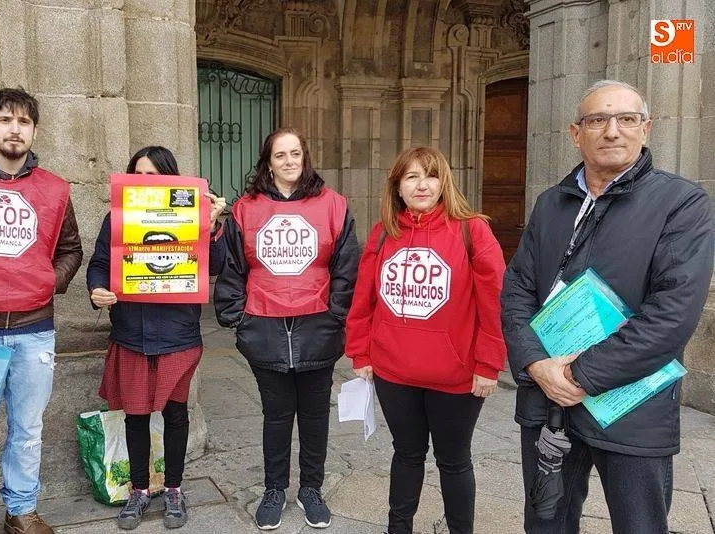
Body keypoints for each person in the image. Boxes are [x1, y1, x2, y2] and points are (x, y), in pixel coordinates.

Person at [502, 79, 714, 534]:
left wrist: (579, 375)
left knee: (639, 525)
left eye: (626, 119)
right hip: (548, 400)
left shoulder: (681, 203)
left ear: (646, 128)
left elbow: (672, 314)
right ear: (576, 134)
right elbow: (517, 288)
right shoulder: (551, 203)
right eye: (597, 119)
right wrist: (536, 364)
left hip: (631, 405)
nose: (612, 130)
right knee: (545, 522)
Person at [344, 146, 506, 534]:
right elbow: (364, 298)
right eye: (411, 176)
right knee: (406, 454)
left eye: (431, 175)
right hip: (394, 372)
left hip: (455, 377)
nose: (422, 185)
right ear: (397, 186)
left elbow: (495, 302)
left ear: (443, 182)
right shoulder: (384, 233)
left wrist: (488, 364)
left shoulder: (472, 230)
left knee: (454, 461)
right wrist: (360, 352)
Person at [0, 88, 84, 534]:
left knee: (28, 429)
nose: (14, 129)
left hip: (33, 329)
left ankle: (22, 510)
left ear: (34, 131)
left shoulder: (55, 189)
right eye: (5, 120)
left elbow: (71, 249)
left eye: (24, 122)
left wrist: (48, 282)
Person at [214, 127, 359, 530]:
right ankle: (274, 489)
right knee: (276, 416)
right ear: (268, 163)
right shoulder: (246, 209)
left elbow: (347, 266)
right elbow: (232, 267)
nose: (289, 161)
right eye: (280, 155)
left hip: (317, 329)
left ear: (305, 157)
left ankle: (311, 489)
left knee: (315, 415)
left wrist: (336, 314)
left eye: (295, 153)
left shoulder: (333, 205)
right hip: (264, 330)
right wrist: (237, 317)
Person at [87, 146, 227, 530]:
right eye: (137, 175)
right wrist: (97, 289)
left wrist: (212, 225)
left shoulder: (194, 216)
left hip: (178, 335)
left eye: (153, 175)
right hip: (132, 333)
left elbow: (214, 266)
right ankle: (139, 489)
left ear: (169, 179)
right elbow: (100, 263)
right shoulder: (115, 218)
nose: (144, 182)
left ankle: (174, 489)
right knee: (135, 415)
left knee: (176, 414)